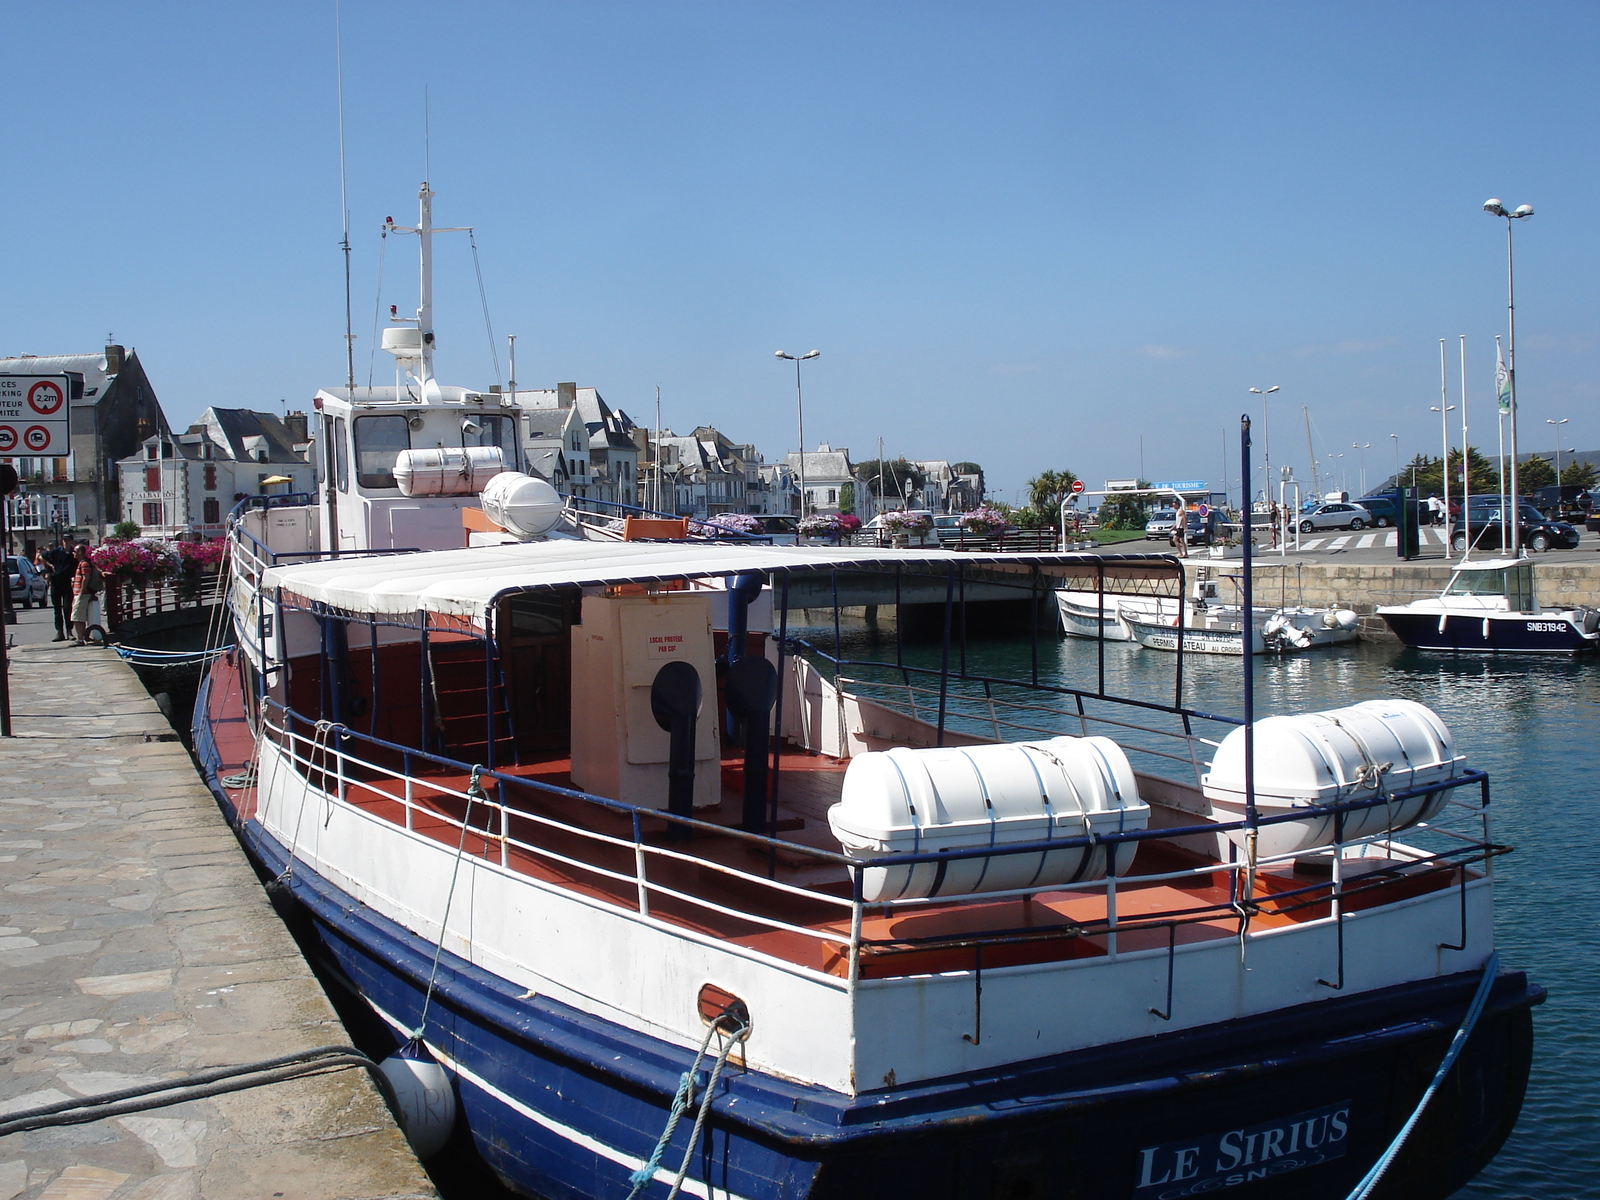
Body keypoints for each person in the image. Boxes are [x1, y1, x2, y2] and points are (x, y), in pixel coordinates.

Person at [39, 538, 76, 641]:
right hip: (56, 581)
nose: (66, 542)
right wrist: (50, 565)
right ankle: (59, 632)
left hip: (67, 581)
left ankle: (69, 631)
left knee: (67, 607)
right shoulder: (56, 551)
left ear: (71, 541)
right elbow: (41, 556)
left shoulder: (73, 553)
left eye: (68, 540)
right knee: (57, 609)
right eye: (64, 540)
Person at [69, 543, 103, 646]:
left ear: (80, 552)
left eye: (75, 551)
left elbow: (86, 577)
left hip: (82, 594)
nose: (73, 553)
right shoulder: (86, 563)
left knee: (77, 617)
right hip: (82, 593)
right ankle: (84, 637)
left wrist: (81, 592)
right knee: (80, 617)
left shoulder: (84, 564)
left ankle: (80, 639)